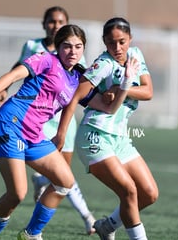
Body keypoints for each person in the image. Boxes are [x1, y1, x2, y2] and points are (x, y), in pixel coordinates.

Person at [0, 24, 89, 240]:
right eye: (67, 46)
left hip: (34, 135)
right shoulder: (46, 59)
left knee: (65, 182)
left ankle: (31, 234)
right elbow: (15, 74)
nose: (72, 51)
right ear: (58, 47)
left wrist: (123, 88)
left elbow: (97, 101)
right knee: (17, 193)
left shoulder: (78, 78)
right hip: (10, 125)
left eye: (78, 47)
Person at [53, 17, 158, 240]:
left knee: (148, 194)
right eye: (111, 43)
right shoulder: (103, 64)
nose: (117, 48)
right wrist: (61, 134)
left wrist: (122, 87)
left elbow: (148, 91)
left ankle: (107, 227)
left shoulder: (135, 55)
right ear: (104, 42)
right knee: (129, 191)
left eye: (122, 41)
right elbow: (74, 99)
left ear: (130, 39)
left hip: (119, 138)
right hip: (95, 135)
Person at [0, 6, 95, 235]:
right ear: (44, 24)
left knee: (63, 176)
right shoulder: (35, 49)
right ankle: (84, 217)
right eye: (51, 21)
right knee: (24, 189)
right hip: (27, 119)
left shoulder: (77, 56)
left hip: (62, 119)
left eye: (60, 21)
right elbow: (18, 69)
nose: (55, 25)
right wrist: (0, 89)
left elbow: (86, 89)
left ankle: (52, 220)